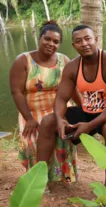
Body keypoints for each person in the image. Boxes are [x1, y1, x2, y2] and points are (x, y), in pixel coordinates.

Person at [37, 25, 106, 188]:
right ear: (73, 45)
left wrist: (90, 126)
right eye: (78, 41)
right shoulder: (72, 67)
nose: (84, 44)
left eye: (88, 39)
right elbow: (61, 98)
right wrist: (59, 119)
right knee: (47, 122)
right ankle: (38, 180)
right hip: (87, 112)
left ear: (96, 40)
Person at [9, 20, 79, 182]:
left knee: (63, 136)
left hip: (60, 109)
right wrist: (29, 119)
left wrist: (85, 110)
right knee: (33, 141)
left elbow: (73, 89)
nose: (51, 44)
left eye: (56, 41)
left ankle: (63, 177)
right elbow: (16, 92)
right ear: (39, 38)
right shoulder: (24, 60)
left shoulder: (64, 60)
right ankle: (38, 180)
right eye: (47, 39)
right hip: (32, 112)